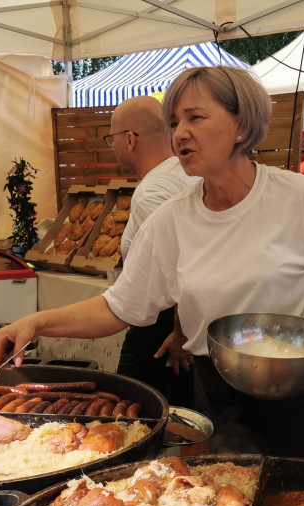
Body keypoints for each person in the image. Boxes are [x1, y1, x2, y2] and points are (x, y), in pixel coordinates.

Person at [0, 66, 304, 464]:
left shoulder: (300, 197)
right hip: (223, 396)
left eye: (195, 117)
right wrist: (37, 322)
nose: (180, 133)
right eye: (173, 122)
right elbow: (118, 307)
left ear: (241, 125)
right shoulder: (170, 221)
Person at [107, 95, 199, 406]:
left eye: (112, 139)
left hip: (161, 323)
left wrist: (179, 333)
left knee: (139, 406)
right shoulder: (183, 173)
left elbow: (182, 267)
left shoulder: (152, 192)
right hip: (178, 319)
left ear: (129, 139)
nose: (114, 147)